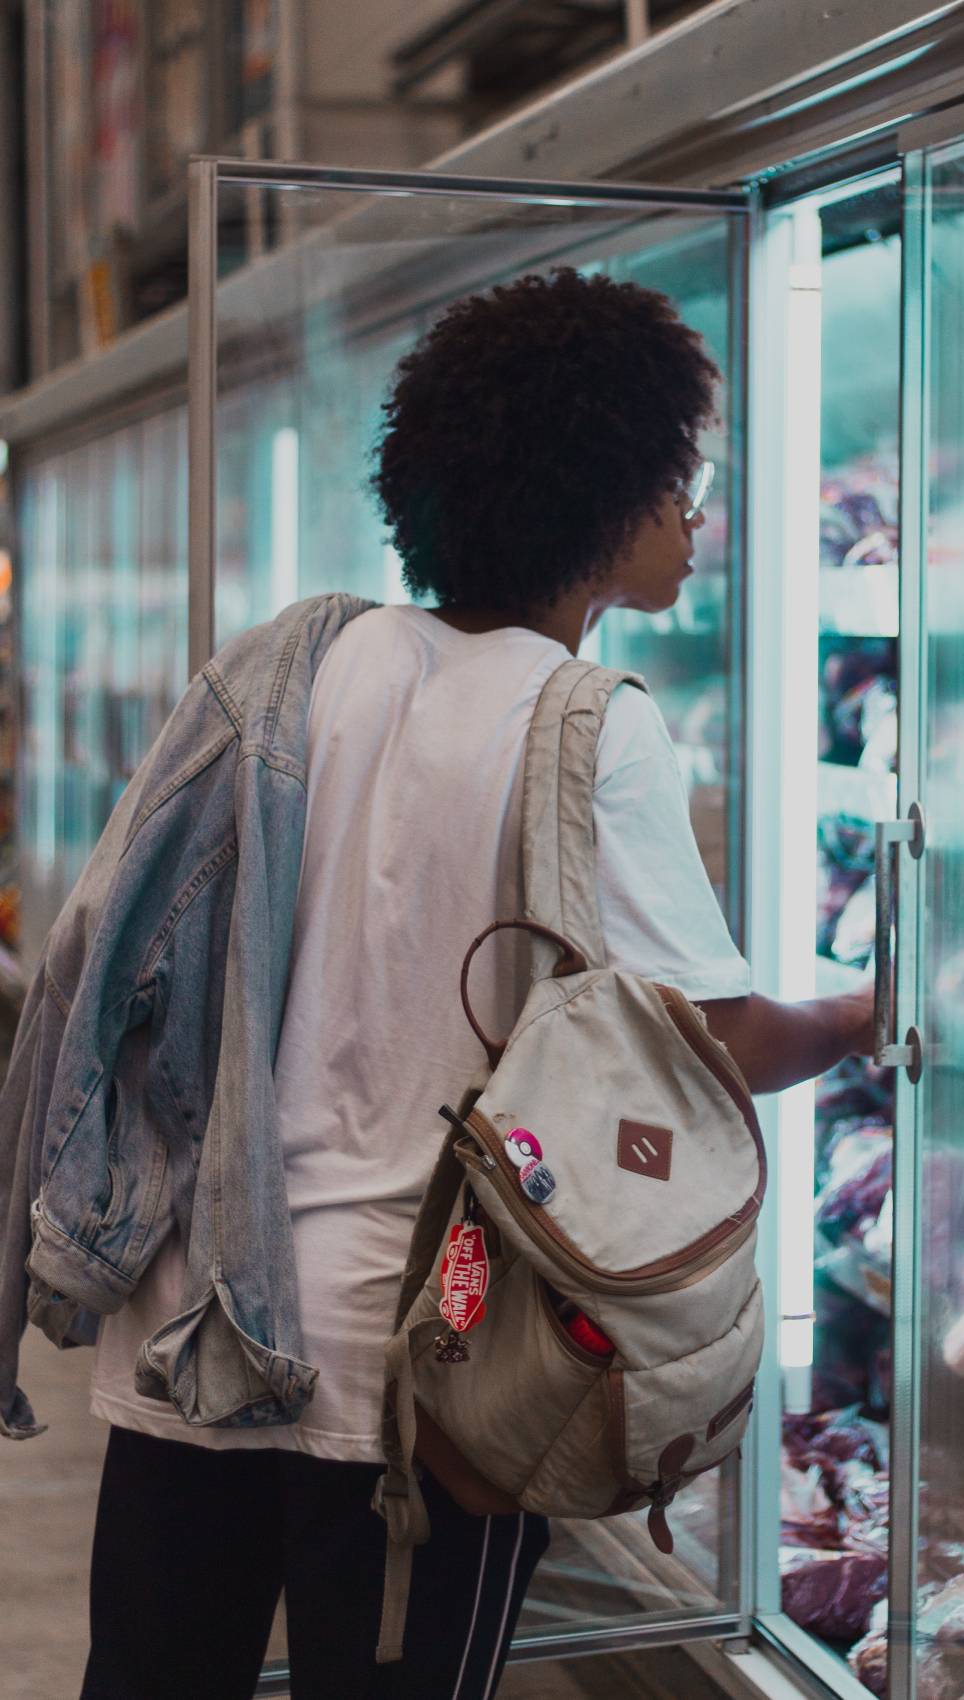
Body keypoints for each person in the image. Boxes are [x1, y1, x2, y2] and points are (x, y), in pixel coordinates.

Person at [72, 268, 873, 1698]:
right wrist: (879, 1011)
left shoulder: (302, 663)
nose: (693, 518)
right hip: (424, 1366)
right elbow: (712, 1037)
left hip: (203, 1323)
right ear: (598, 501)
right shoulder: (590, 725)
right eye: (674, 483)